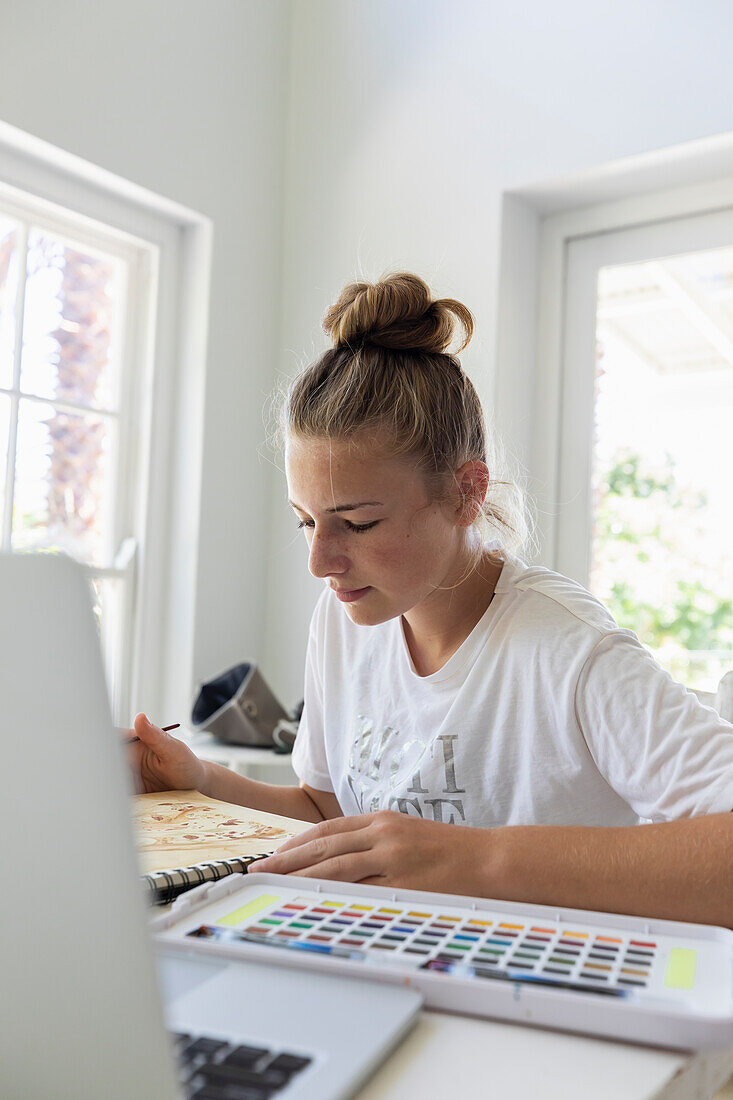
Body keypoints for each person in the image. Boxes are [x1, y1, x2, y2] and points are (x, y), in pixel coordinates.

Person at [129, 272, 733, 927]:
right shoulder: (344, 618)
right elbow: (332, 816)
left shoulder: (568, 650)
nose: (319, 562)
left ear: (466, 493)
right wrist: (201, 781)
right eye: (306, 521)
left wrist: (478, 861)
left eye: (357, 524)